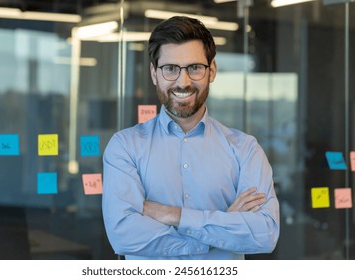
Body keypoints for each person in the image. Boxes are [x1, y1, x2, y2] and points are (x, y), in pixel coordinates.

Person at [102, 16, 280, 260]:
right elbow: (123, 235)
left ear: (212, 70)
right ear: (154, 73)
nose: (183, 81)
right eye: (170, 69)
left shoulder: (245, 149)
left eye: (194, 68)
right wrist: (221, 230)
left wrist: (173, 215)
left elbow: (265, 234)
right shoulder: (125, 147)